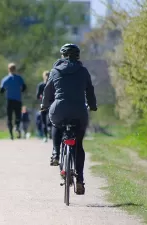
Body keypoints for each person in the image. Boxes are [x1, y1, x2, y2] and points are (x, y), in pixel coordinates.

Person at [41, 43, 97, 195]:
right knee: (78, 144)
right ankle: (80, 180)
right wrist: (93, 106)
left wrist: (44, 105)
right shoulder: (83, 71)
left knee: (56, 123)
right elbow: (90, 91)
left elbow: (47, 91)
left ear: (63, 56)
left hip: (59, 109)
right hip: (79, 111)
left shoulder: (55, 70)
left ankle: (56, 153)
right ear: (77, 56)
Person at [0, 63, 27, 140]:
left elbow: (1, 90)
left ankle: (11, 134)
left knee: (9, 117)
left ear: (8, 69)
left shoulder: (5, 79)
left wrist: (7, 89)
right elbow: (24, 87)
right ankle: (17, 127)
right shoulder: (19, 78)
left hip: (9, 100)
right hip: (18, 99)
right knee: (18, 116)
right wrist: (19, 90)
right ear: (15, 69)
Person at [36, 70, 51, 142]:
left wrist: (41, 97)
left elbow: (37, 96)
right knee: (48, 120)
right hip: (49, 105)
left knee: (45, 121)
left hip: (44, 104)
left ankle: (46, 136)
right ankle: (48, 132)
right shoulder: (52, 85)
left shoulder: (41, 85)